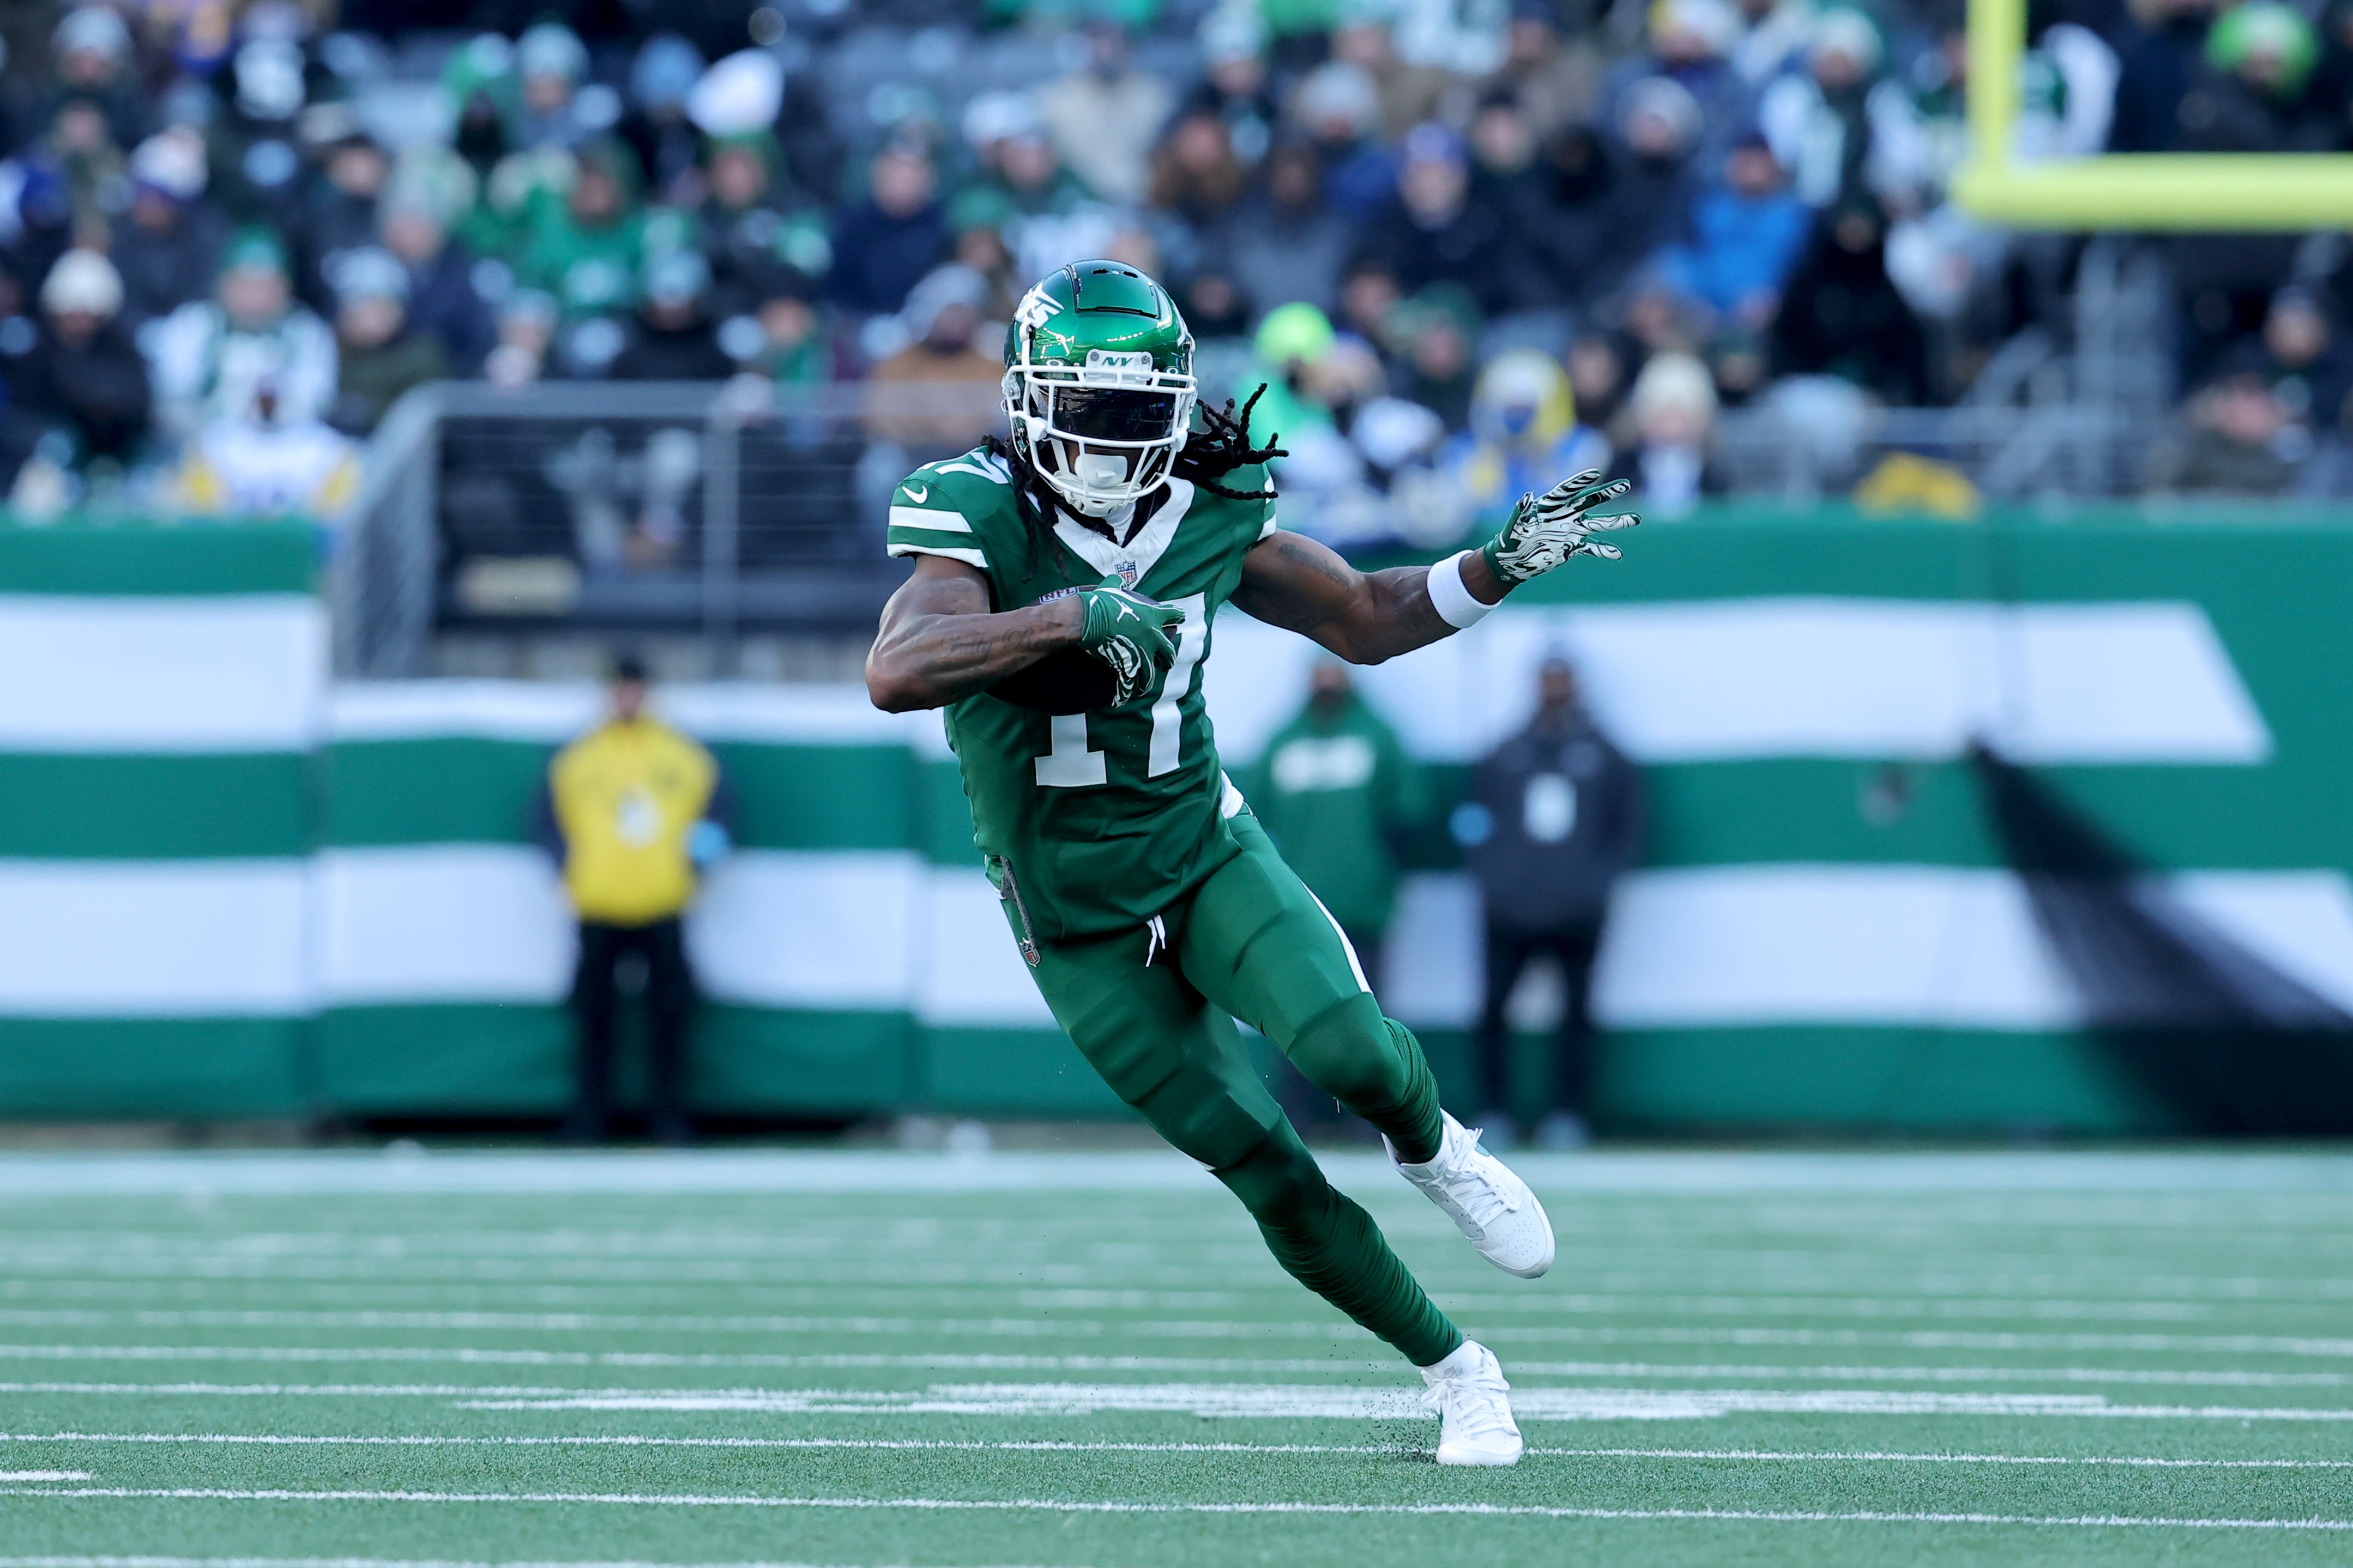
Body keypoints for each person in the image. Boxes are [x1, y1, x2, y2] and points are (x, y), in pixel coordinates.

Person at [865, 258, 1640, 1468]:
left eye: (1142, 413)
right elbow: (897, 668)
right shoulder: (975, 507)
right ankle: (1459, 1372)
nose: (1121, 444)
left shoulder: (1207, 503)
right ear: (1029, 403)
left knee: (1344, 1050)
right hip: (1071, 916)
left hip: (1198, 849)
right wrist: (1069, 616)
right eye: (1095, 412)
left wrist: (1496, 565)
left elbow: (1366, 618)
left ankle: (1437, 1146)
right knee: (1263, 1162)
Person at [540, 655, 732, 1147]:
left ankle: (670, 1121)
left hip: (663, 904)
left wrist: (694, 866)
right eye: (619, 689)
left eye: (634, 689)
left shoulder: (681, 755)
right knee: (593, 1019)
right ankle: (589, 1121)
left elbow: (722, 812)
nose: (627, 698)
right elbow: (544, 820)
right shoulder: (580, 759)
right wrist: (571, 867)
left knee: (669, 1018)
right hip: (598, 905)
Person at [1457, 657, 1645, 1153]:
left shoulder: (1604, 755)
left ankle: (1569, 1112)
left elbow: (1626, 829)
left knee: (1578, 1011)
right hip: (1510, 908)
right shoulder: (1507, 753)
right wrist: (1492, 878)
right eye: (1547, 679)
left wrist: (1594, 884)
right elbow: (1473, 819)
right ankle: (1494, 1110)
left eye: (1562, 679)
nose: (1554, 689)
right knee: (1494, 1010)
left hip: (1576, 910)